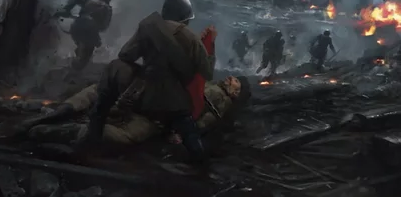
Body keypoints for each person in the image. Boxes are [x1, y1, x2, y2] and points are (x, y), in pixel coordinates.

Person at [81, 0, 216, 163]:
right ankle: (199, 163)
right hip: (174, 103)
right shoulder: (191, 38)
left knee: (112, 73)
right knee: (187, 129)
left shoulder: (148, 27)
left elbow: (126, 54)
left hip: (143, 97)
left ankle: (93, 137)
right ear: (185, 17)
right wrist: (211, 48)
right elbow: (208, 73)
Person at [17, 76, 249, 145]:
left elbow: (203, 122)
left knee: (124, 135)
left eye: (235, 82)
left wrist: (184, 134)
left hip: (157, 116)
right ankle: (53, 118)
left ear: (236, 94)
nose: (231, 79)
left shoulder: (221, 102)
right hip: (148, 99)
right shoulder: (207, 80)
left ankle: (56, 127)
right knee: (97, 94)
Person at [56, 0, 114, 70]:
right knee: (85, 57)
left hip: (76, 26)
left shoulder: (89, 0)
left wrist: (67, 9)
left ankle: (75, 63)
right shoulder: (107, 9)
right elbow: (103, 27)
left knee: (81, 47)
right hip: (90, 30)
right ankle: (74, 71)